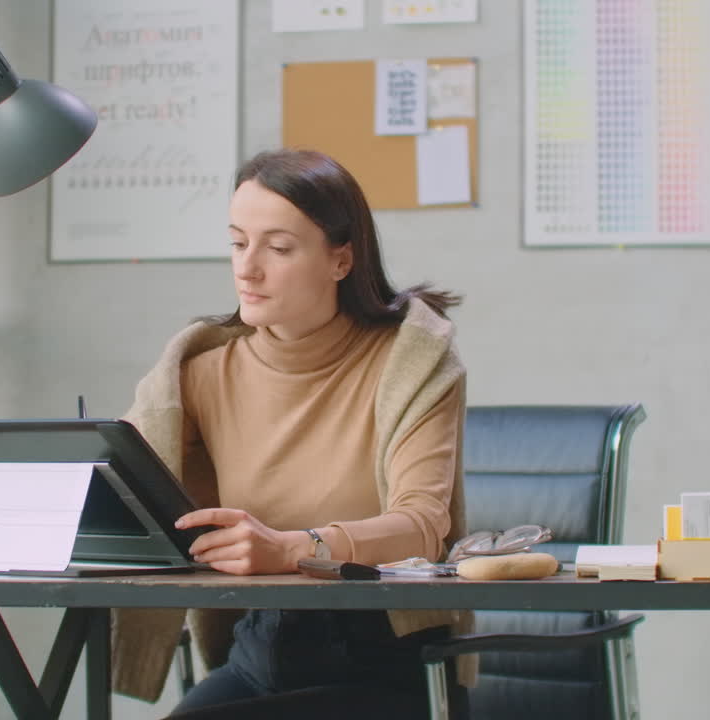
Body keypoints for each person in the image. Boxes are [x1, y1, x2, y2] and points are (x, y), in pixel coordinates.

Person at [112, 148, 472, 719]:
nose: (247, 268)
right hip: (261, 648)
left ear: (341, 260)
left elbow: (423, 528)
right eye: (237, 242)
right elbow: (124, 494)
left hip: (384, 656)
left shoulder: (412, 362)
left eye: (278, 248)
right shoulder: (199, 373)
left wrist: (289, 548)